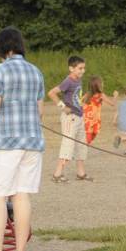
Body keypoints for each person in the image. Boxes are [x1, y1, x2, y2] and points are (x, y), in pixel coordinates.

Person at [0, 27, 44, 251]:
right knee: (21, 196)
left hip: (4, 142)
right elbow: (40, 111)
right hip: (32, 142)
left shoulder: (0, 70)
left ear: (2, 47)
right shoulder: (36, 72)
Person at [48, 55, 92, 183]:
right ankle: (57, 174)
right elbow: (51, 93)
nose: (82, 71)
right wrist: (63, 107)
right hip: (70, 118)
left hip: (79, 116)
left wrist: (83, 101)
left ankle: (81, 172)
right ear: (71, 68)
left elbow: (75, 96)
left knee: (81, 145)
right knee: (68, 144)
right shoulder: (68, 81)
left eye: (84, 68)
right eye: (80, 68)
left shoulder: (78, 80)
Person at [82, 76, 118, 145]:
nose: (103, 84)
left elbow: (112, 104)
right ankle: (80, 152)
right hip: (88, 120)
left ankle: (81, 149)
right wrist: (115, 96)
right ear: (98, 86)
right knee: (88, 139)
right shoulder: (90, 94)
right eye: (101, 83)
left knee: (90, 138)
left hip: (94, 119)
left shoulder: (98, 95)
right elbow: (112, 104)